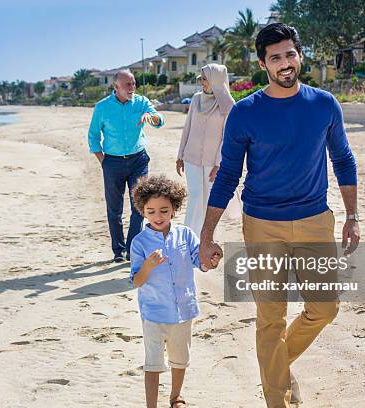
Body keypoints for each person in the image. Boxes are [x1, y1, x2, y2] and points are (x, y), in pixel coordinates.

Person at [198, 23, 360, 407]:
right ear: (262, 63)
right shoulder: (246, 114)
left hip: (315, 220)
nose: (285, 63)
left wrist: (353, 216)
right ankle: (278, 399)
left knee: (325, 308)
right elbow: (227, 179)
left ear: (299, 55)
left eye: (290, 54)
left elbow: (344, 160)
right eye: (276, 58)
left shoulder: (324, 104)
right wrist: (206, 235)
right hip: (262, 225)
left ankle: (276, 369)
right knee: (270, 318)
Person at [129, 175, 219, 408]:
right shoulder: (139, 243)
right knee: (153, 363)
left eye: (163, 210)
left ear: (174, 208)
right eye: (151, 211)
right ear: (142, 211)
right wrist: (148, 265)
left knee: (180, 359)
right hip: (154, 313)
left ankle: (175, 397)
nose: (158, 216)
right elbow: (137, 281)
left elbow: (201, 263)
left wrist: (211, 260)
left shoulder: (186, 235)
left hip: (183, 310)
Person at [88, 70, 165, 262]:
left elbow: (159, 120)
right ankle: (118, 251)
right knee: (114, 209)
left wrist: (152, 117)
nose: (132, 88)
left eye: (133, 83)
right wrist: (103, 161)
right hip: (112, 162)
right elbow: (93, 137)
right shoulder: (102, 107)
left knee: (140, 206)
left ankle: (132, 248)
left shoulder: (141, 102)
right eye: (127, 84)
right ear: (116, 87)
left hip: (138, 160)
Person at [176, 63, 235, 237]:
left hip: (212, 162)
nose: (201, 82)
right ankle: (188, 237)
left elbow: (226, 138)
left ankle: (206, 238)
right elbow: (187, 127)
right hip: (191, 157)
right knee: (195, 196)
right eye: (201, 78)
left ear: (215, 80)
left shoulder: (228, 105)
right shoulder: (195, 99)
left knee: (209, 200)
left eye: (205, 79)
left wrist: (219, 164)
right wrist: (180, 156)